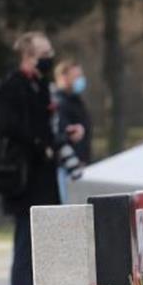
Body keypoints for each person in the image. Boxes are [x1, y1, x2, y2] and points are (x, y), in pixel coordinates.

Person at [0, 31, 85, 285]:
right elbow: (9, 127)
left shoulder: (41, 86)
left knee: (45, 246)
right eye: (45, 54)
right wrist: (40, 142)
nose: (50, 58)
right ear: (29, 56)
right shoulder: (11, 88)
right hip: (25, 180)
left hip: (44, 177)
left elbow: (44, 126)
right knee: (25, 247)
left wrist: (62, 135)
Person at [53, 59, 93, 202]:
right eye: (76, 77)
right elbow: (58, 135)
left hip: (79, 166)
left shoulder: (76, 101)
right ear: (63, 77)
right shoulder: (58, 103)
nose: (80, 80)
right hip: (66, 168)